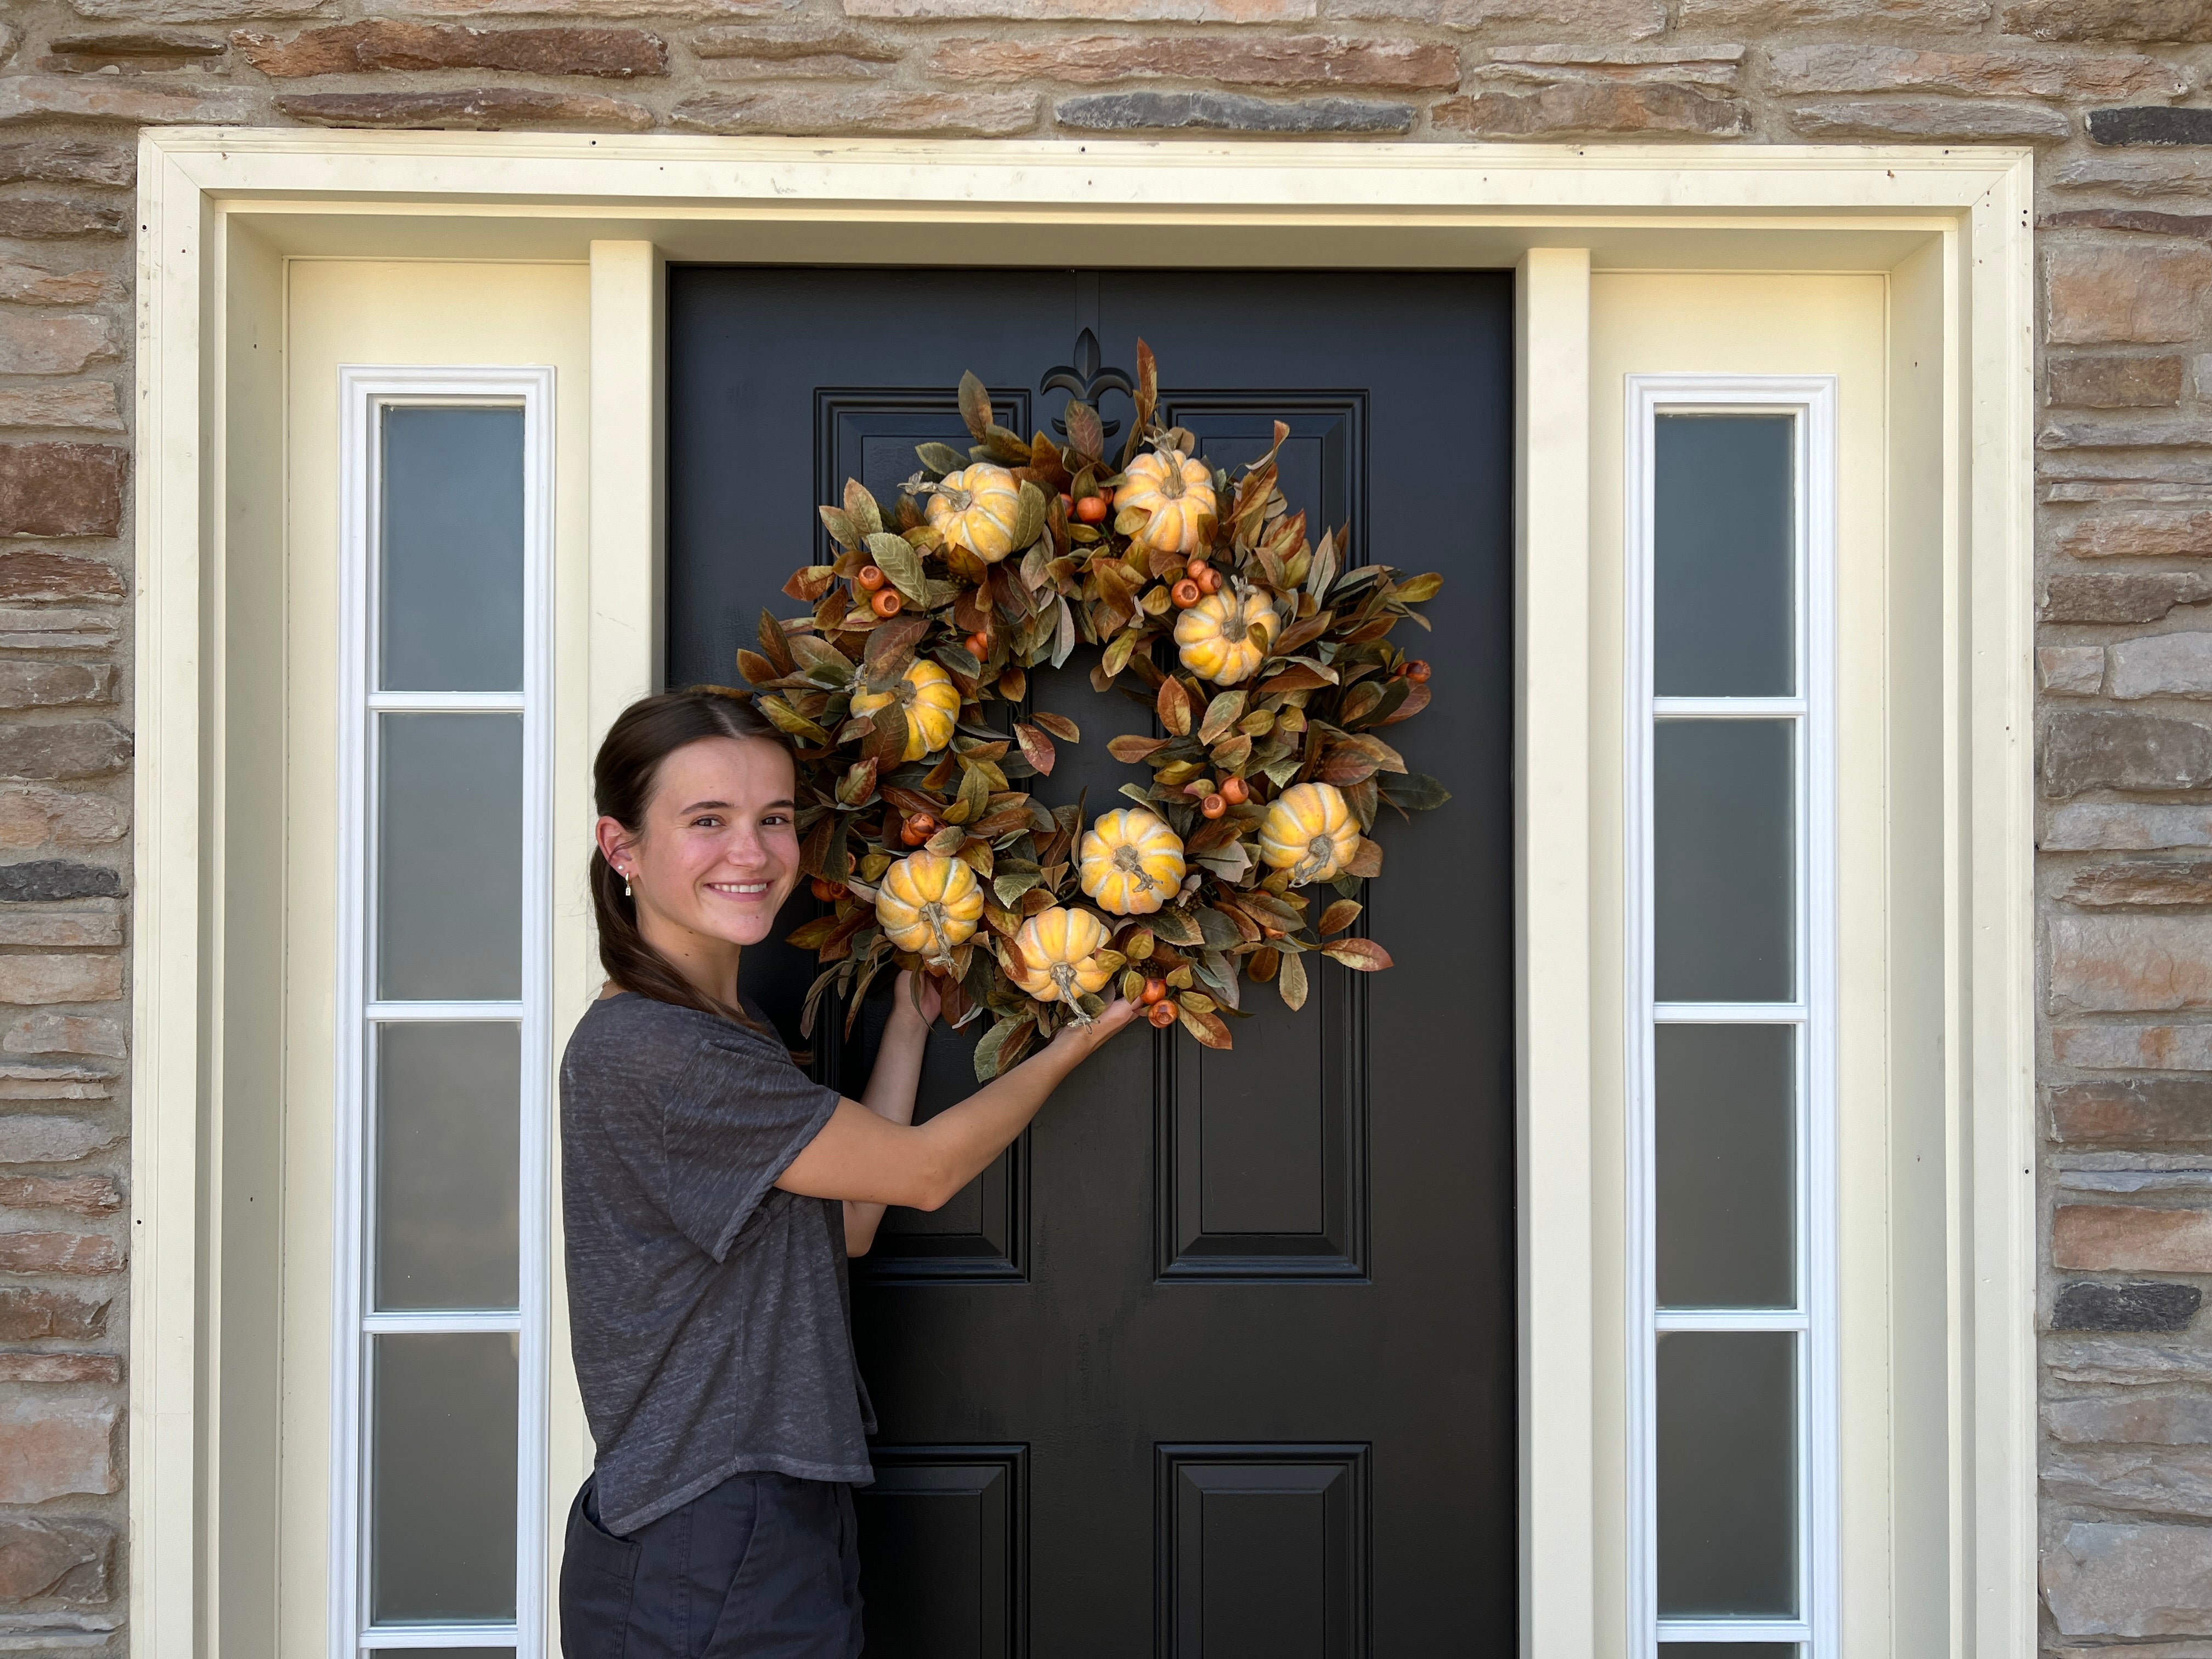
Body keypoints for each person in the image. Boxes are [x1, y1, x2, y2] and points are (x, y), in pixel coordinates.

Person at [557, 688, 1134, 1658]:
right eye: (707, 821)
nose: (752, 853)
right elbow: (922, 1177)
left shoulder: (719, 1034)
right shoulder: (659, 1053)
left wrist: (906, 1026)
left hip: (759, 1507)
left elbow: (854, 1219)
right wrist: (1081, 1038)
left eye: (773, 819)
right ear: (623, 849)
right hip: (711, 1525)